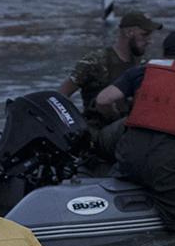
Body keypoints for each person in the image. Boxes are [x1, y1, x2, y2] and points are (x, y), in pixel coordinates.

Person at [95, 29, 175, 236]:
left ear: (164, 52)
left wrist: (114, 114)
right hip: (166, 161)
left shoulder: (140, 72)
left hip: (130, 153)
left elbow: (102, 100)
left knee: (122, 171)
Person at [58, 10, 160, 163]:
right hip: (100, 134)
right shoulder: (96, 61)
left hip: (131, 132)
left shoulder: (144, 65)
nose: (149, 41)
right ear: (129, 32)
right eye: (145, 35)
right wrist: (76, 127)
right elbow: (61, 96)